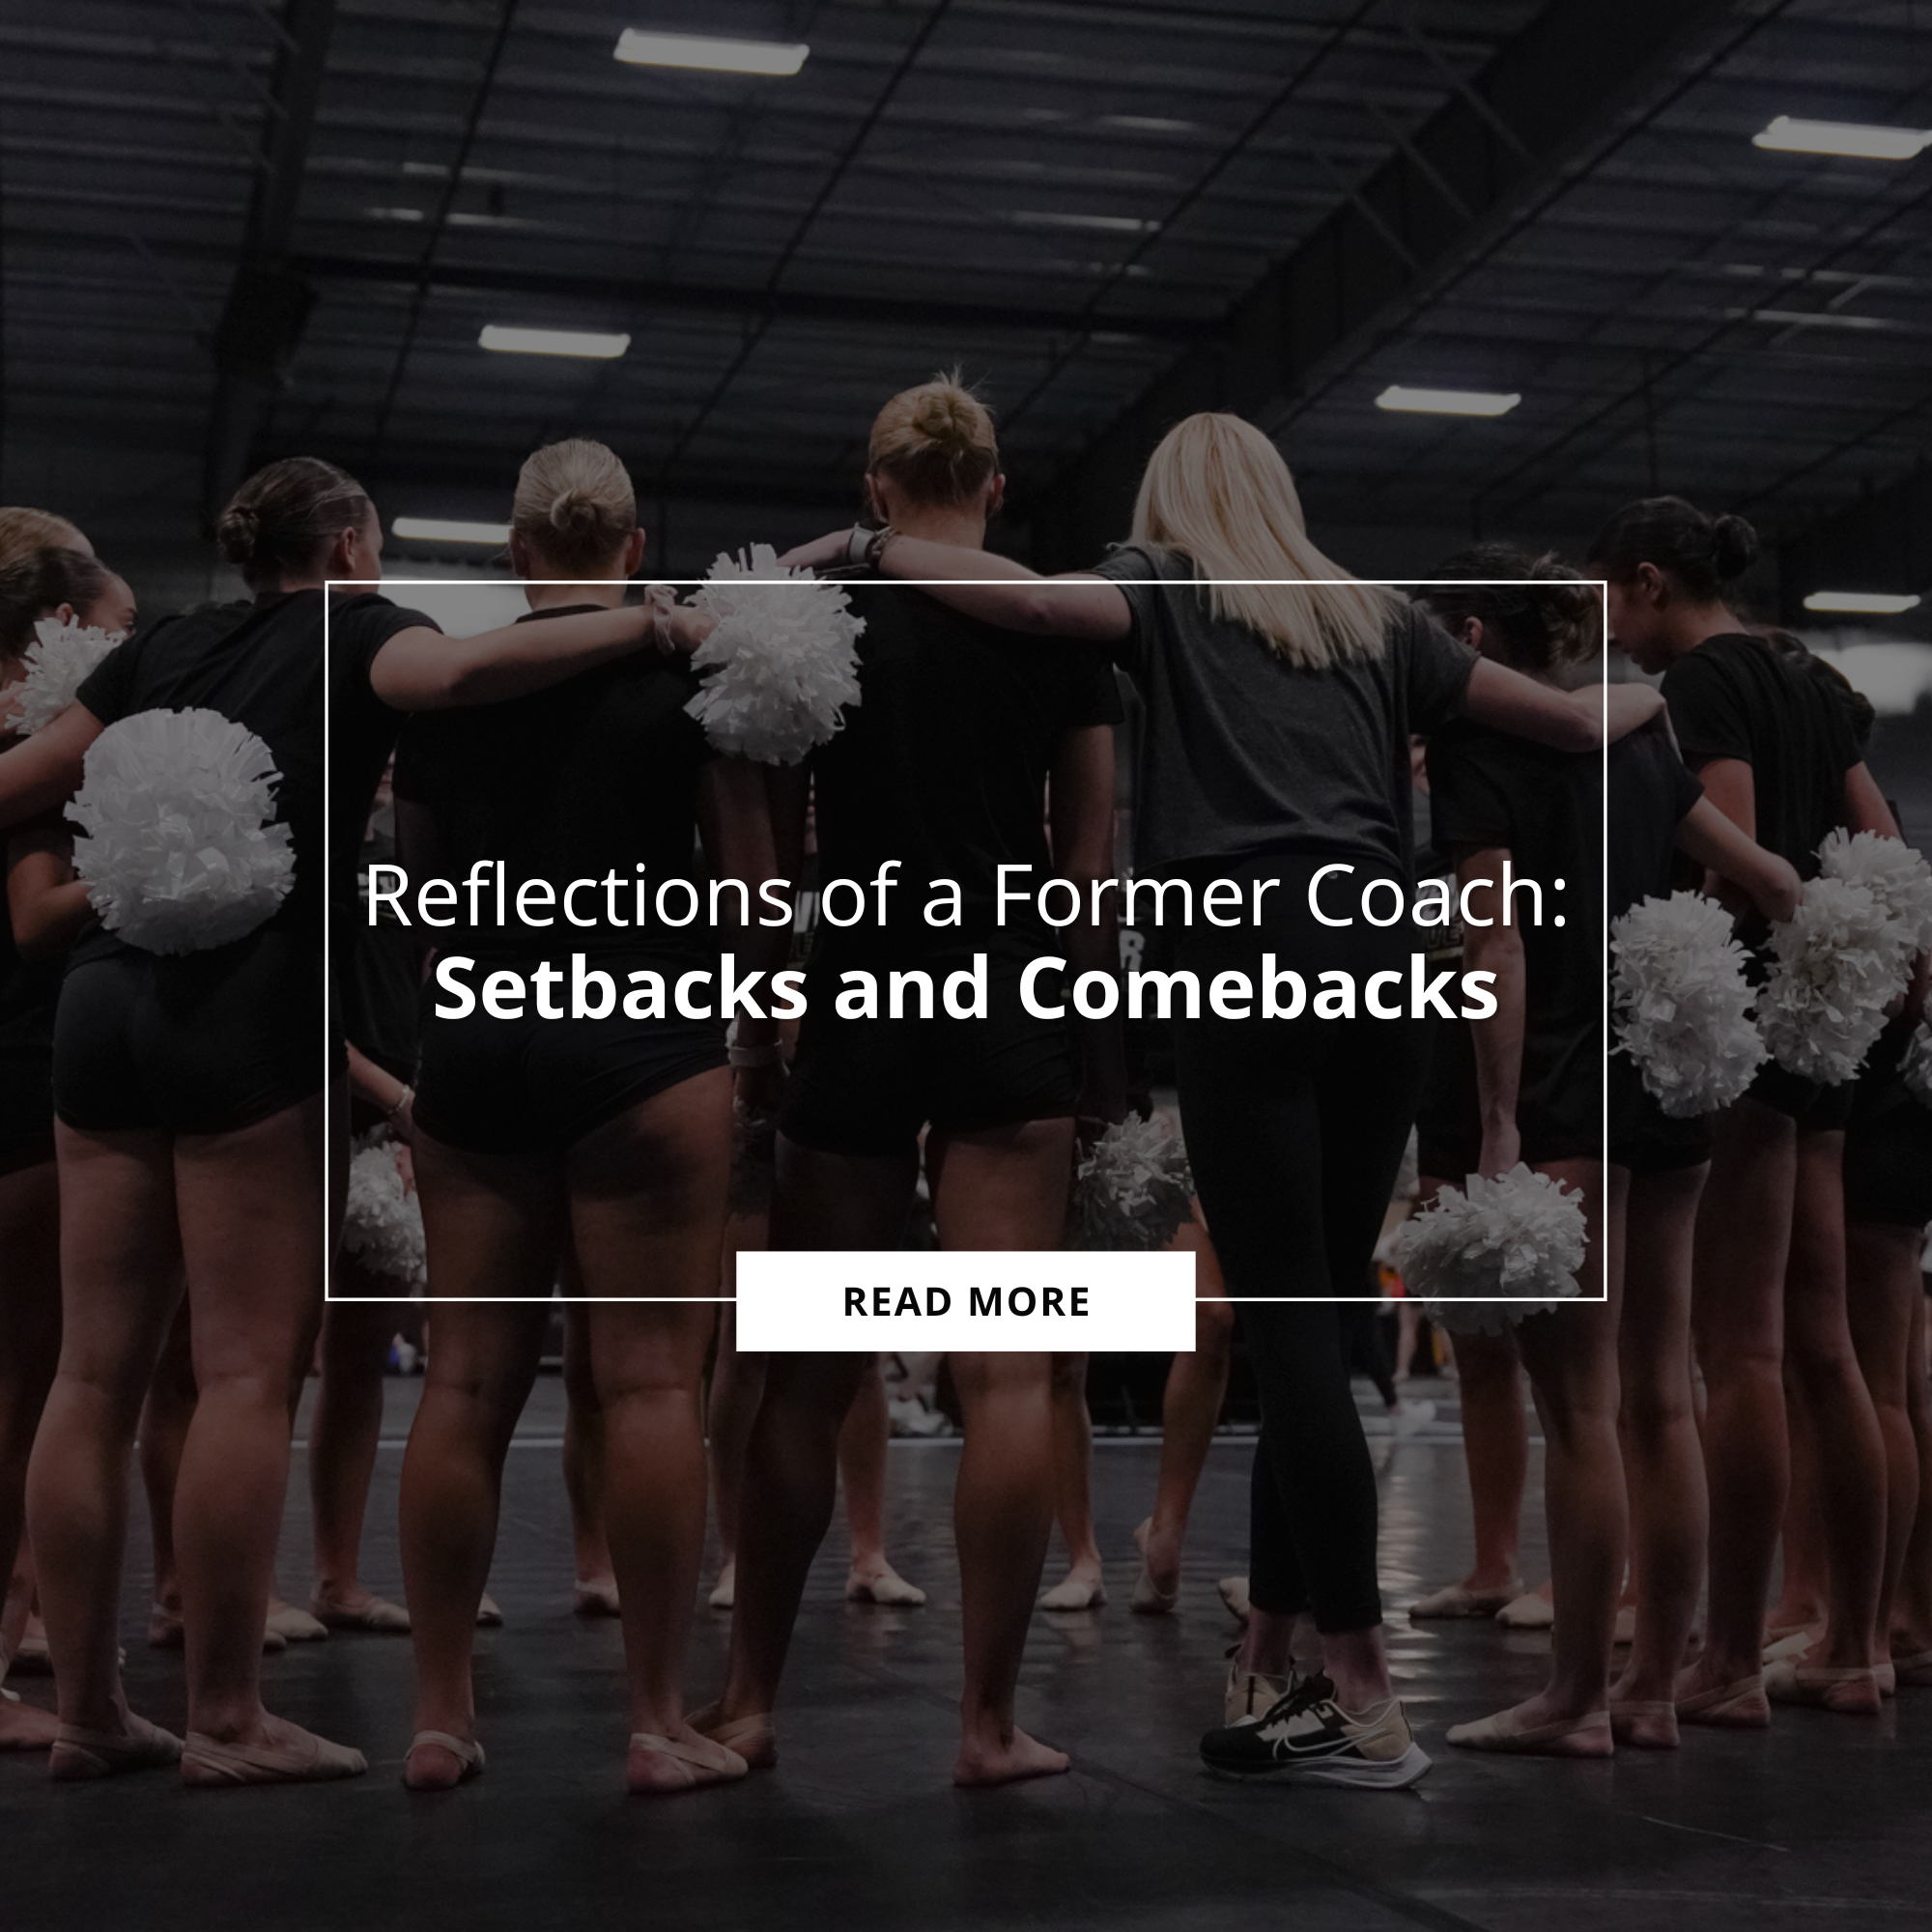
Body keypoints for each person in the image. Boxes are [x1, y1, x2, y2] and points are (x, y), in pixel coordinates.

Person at [782, 411, 1664, 1788]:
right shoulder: (1374, 615)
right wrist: (1657, 695)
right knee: (1309, 1316)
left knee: (1292, 1331)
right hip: (1380, 965)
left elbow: (1027, 601)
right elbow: (1565, 722)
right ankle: (1273, 1655)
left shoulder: (1164, 583)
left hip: (1247, 958)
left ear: (1168, 503)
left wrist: (867, 546)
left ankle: (1358, 1682)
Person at [0, 454, 681, 1785]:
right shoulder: (363, 628)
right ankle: (225, 1714)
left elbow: (21, 784)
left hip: (100, 1004)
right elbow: (468, 675)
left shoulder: (163, 644)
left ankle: (87, 1709)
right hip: (244, 1009)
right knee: (247, 1373)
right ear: (353, 548)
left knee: (90, 1376)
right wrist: (654, 622)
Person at [696, 375, 1123, 1788]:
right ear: (994, 488)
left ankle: (747, 1700)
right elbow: (1087, 867)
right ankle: (987, 1724)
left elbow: (762, 870)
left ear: (874, 488)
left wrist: (759, 1037)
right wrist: (1094, 1048)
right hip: (1009, 994)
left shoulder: (817, 616)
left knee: (805, 1376)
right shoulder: (1055, 625)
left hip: (860, 994)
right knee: (1005, 1374)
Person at [391, 438, 780, 1795]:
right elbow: (752, 901)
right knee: (655, 1382)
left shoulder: (447, 687)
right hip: (643, 1042)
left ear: (516, 556)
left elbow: (421, 893)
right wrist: (756, 1042)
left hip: (480, 1039)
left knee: (463, 1385)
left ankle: (440, 1716)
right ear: (633, 549)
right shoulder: (689, 679)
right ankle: (658, 1718)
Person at [1586, 497, 1899, 1722]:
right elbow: (1880, 839)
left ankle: (1723, 1660)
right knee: (1827, 1347)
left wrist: (1682, 990)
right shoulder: (1805, 676)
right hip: (1820, 1034)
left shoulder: (1704, 679)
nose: (1611, 631)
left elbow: (1732, 847)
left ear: (1647, 580)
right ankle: (1853, 1644)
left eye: (1611, 603)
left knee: (1743, 1354)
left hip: (1740, 1036)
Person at [0, 545, 135, 1748]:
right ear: (60, 623)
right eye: (118, 622)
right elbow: (37, 918)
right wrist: (167, 855)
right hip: (19, 1072)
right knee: (27, 1383)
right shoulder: (39, 749)